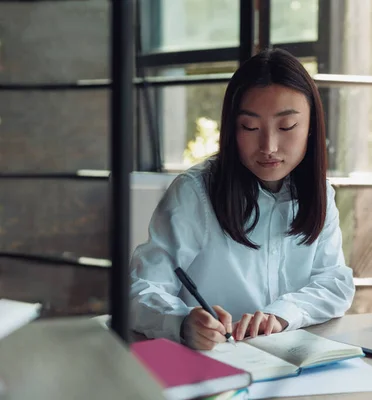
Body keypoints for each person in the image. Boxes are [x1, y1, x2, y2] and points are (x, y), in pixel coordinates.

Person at [129, 48, 355, 350]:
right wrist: (182, 322)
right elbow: (138, 289)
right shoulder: (195, 193)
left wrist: (281, 315)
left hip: (287, 361)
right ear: (232, 128)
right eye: (250, 127)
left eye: (286, 127)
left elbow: (334, 282)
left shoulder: (319, 192)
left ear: (312, 126)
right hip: (215, 363)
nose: (269, 146)